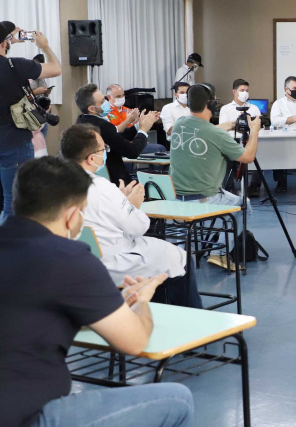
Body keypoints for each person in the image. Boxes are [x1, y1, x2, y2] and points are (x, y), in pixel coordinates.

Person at [0, 156, 193, 427]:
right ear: (72, 215)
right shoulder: (70, 259)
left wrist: (106, 306)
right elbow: (134, 342)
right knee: (179, 400)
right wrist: (141, 304)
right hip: (26, 419)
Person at [60, 124, 201, 308]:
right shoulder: (101, 187)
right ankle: (191, 321)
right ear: (92, 158)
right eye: (104, 149)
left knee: (161, 258)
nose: (105, 153)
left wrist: (121, 201)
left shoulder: (51, 183)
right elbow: (138, 228)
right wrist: (132, 205)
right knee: (180, 257)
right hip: (110, 263)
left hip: (69, 263)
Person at [0, 21, 61, 221]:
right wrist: (43, 46)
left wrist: (7, 40)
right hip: (13, 141)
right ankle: (10, 250)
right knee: (14, 201)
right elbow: (55, 69)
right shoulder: (16, 65)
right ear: (4, 43)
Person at [170, 84, 260, 212]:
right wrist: (254, 131)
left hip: (175, 197)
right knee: (244, 203)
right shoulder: (217, 135)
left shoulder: (179, 123)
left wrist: (232, 124)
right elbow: (248, 157)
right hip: (205, 198)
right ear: (211, 104)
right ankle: (240, 232)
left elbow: (204, 130)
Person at [75, 83, 159, 186]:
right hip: (114, 181)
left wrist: (137, 126)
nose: (106, 103)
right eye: (102, 102)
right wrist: (143, 130)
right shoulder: (103, 126)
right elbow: (132, 151)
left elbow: (116, 138)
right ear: (91, 108)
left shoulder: (81, 121)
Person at [219, 79, 263, 198]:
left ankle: (254, 186)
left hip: (250, 140)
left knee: (260, 156)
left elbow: (258, 125)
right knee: (226, 159)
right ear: (234, 91)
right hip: (231, 142)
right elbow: (223, 129)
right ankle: (229, 187)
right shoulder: (226, 109)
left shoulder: (253, 108)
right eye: (242, 90)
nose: (245, 93)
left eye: (247, 91)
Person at [105, 83, 166, 154]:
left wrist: (145, 121)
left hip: (133, 142)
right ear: (109, 97)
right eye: (118, 96)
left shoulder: (129, 110)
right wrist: (128, 121)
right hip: (118, 145)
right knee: (159, 149)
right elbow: (114, 133)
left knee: (160, 149)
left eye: (123, 95)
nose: (122, 98)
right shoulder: (105, 112)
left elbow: (136, 130)